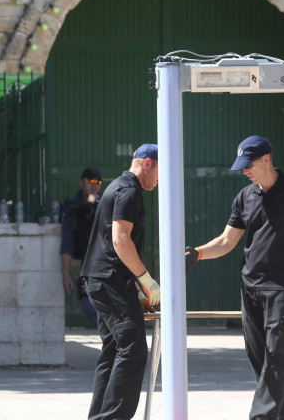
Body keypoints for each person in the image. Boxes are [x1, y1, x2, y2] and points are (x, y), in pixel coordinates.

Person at [184, 135, 284, 420]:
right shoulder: (245, 198)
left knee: (278, 357)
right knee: (261, 361)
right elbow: (226, 241)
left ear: (266, 159)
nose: (244, 171)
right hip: (251, 289)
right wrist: (196, 253)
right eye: (242, 166)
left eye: (249, 165)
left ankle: (261, 417)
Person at [80, 144, 160, 420]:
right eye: (162, 170)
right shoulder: (130, 190)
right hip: (110, 281)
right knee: (134, 350)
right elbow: (120, 239)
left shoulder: (117, 186)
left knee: (114, 350)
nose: (161, 179)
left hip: (102, 280)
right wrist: (146, 281)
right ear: (148, 163)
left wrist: (135, 289)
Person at [61, 167, 103, 324]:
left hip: (107, 266)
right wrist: (65, 274)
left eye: (97, 182)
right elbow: (67, 243)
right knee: (90, 308)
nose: (94, 185)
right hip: (87, 269)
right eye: (90, 181)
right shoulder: (72, 208)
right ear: (81, 183)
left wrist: (96, 205)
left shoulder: (104, 205)